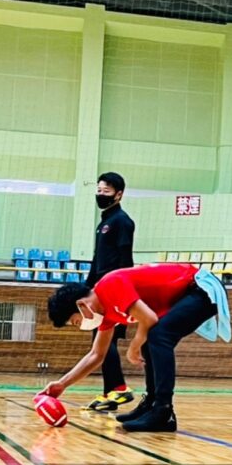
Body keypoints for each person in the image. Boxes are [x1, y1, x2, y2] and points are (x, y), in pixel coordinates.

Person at [44, 263, 217, 433]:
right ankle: (151, 404)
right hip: (189, 293)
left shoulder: (110, 285)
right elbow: (96, 355)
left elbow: (149, 319)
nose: (81, 326)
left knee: (158, 335)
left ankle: (163, 411)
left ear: (82, 305)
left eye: (77, 322)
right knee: (151, 337)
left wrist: (134, 347)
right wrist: (62, 384)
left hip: (200, 288)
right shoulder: (105, 313)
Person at [84, 172, 136, 413]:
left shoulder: (122, 221)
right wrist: (87, 289)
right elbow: (97, 260)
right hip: (99, 289)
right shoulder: (104, 223)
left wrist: (124, 292)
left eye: (106, 191)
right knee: (101, 340)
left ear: (119, 194)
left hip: (113, 289)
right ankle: (110, 394)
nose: (100, 194)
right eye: (99, 190)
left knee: (104, 339)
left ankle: (119, 388)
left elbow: (126, 260)